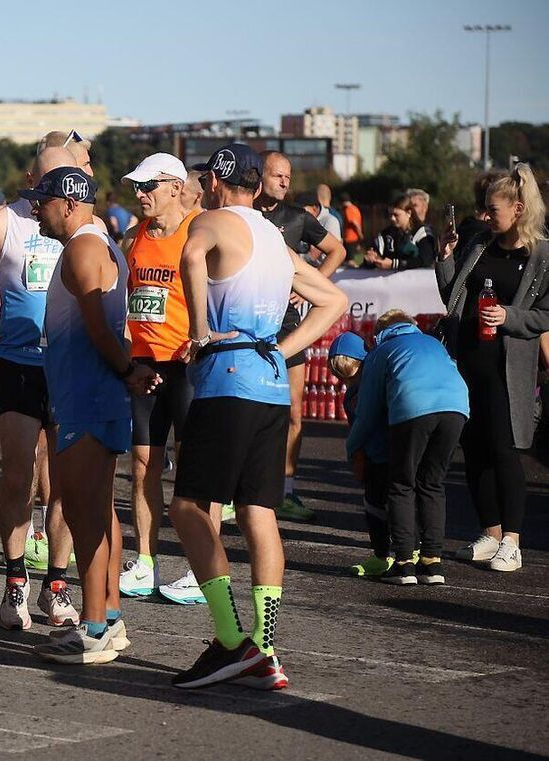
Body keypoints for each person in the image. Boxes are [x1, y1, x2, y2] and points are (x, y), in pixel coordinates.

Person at [169, 144, 346, 690]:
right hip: (269, 387)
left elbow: (191, 258)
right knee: (258, 513)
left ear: (217, 182)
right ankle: (265, 649)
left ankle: (231, 641)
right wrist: (281, 347)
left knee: (188, 508)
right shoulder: (273, 235)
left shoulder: (213, 221)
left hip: (227, 384)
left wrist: (200, 333)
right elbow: (334, 301)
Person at [25, 164, 160, 665]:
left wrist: (128, 371)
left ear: (68, 203)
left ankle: (95, 626)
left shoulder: (83, 248)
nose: (35, 210)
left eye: (42, 201)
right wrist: (127, 372)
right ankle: (110, 618)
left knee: (83, 514)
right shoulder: (100, 244)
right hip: (92, 394)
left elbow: (100, 331)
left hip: (88, 396)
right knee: (98, 510)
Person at [0, 146, 82, 631]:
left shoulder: (82, 225)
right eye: (48, 178)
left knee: (66, 485)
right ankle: (15, 580)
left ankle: (56, 586)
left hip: (67, 366)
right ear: (31, 177)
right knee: (18, 477)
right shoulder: (2, 222)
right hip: (17, 364)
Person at [437, 164, 549, 572]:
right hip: (468, 360)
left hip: (508, 368)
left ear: (518, 209)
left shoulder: (541, 255)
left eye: (493, 210)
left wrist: (509, 317)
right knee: (475, 449)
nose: (485, 216)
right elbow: (452, 295)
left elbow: (545, 315)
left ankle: (513, 542)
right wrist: (444, 258)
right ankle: (491, 532)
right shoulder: (480, 243)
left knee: (504, 450)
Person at [115, 153, 203, 603]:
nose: (141, 194)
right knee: (142, 465)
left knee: (193, 471)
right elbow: (123, 300)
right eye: (137, 186)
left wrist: (203, 339)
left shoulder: (199, 232)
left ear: (175, 187)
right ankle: (145, 562)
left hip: (187, 365)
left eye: (148, 185)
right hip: (144, 366)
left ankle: (198, 569)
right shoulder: (133, 238)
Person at [255, 150, 346, 523]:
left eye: (288, 177)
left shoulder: (296, 217)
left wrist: (309, 285)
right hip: (247, 323)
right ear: (259, 175)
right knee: (248, 409)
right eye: (277, 175)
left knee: (293, 410)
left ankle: (287, 490)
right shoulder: (241, 214)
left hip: (287, 324)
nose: (284, 182)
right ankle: (235, 491)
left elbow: (337, 250)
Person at [346, 311, 468, 585]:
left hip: (413, 407)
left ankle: (403, 564)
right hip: (457, 407)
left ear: (380, 333)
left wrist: (352, 448)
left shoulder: (382, 350)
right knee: (432, 484)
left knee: (401, 484)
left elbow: (367, 413)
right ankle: (432, 562)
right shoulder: (433, 343)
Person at [328, 332, 392, 578]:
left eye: (352, 377)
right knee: (372, 505)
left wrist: (352, 450)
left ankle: (411, 550)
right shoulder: (351, 397)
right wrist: (359, 456)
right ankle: (380, 554)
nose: (348, 384)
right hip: (372, 456)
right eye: (342, 379)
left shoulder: (378, 386)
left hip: (391, 454)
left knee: (399, 503)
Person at [365, 193, 436, 271]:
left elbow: (426, 260)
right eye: (390, 214)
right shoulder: (386, 234)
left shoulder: (422, 233)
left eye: (396, 215)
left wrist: (395, 264)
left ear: (409, 213)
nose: (392, 218)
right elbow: (375, 255)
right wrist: (371, 259)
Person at [341, 192, 364, 267]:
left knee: (349, 261)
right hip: (354, 238)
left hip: (350, 238)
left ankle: (357, 270)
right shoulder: (355, 208)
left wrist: (360, 234)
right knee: (347, 261)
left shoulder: (348, 209)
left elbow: (354, 223)